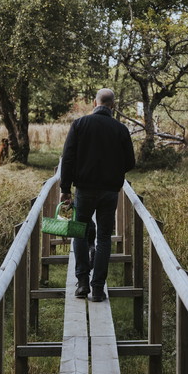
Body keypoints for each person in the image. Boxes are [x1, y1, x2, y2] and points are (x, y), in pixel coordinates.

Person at [59, 88, 136, 302]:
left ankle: (82, 281)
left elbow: (68, 158)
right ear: (112, 105)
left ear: (95, 103)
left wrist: (65, 189)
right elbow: (130, 162)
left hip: (84, 189)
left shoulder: (80, 124)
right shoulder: (120, 129)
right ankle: (98, 288)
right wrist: (113, 171)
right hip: (110, 191)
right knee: (103, 238)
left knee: (79, 232)